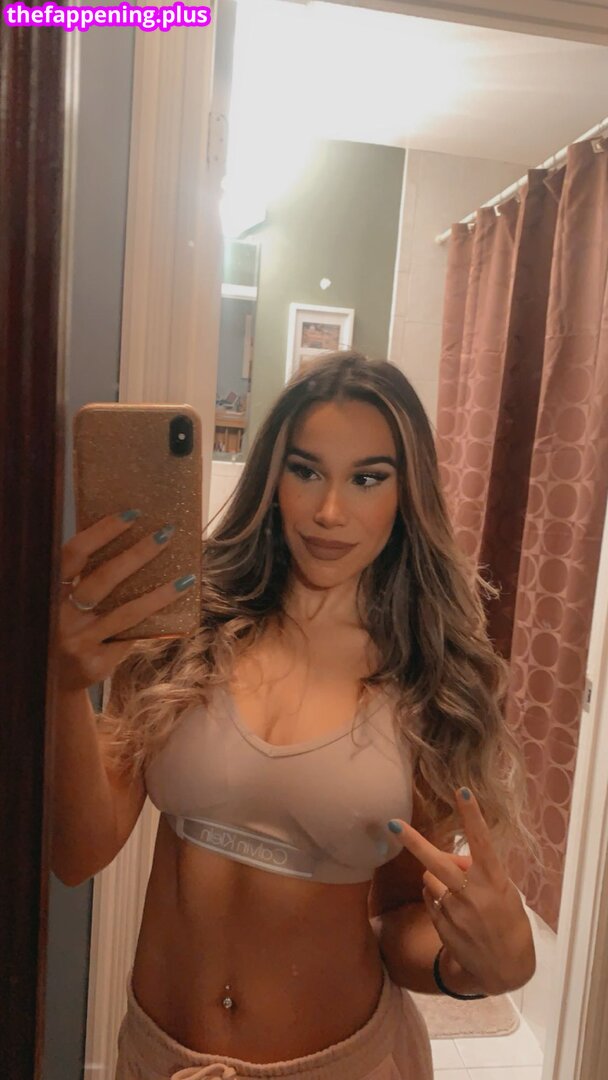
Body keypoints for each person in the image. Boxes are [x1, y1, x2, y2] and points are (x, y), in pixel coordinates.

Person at [53, 352, 538, 1080]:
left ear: (407, 494)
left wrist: (473, 964)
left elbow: (399, 917)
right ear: (272, 477)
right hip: (160, 1059)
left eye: (367, 478)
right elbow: (77, 854)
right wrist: (64, 688)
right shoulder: (183, 631)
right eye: (306, 470)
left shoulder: (427, 679)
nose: (329, 511)